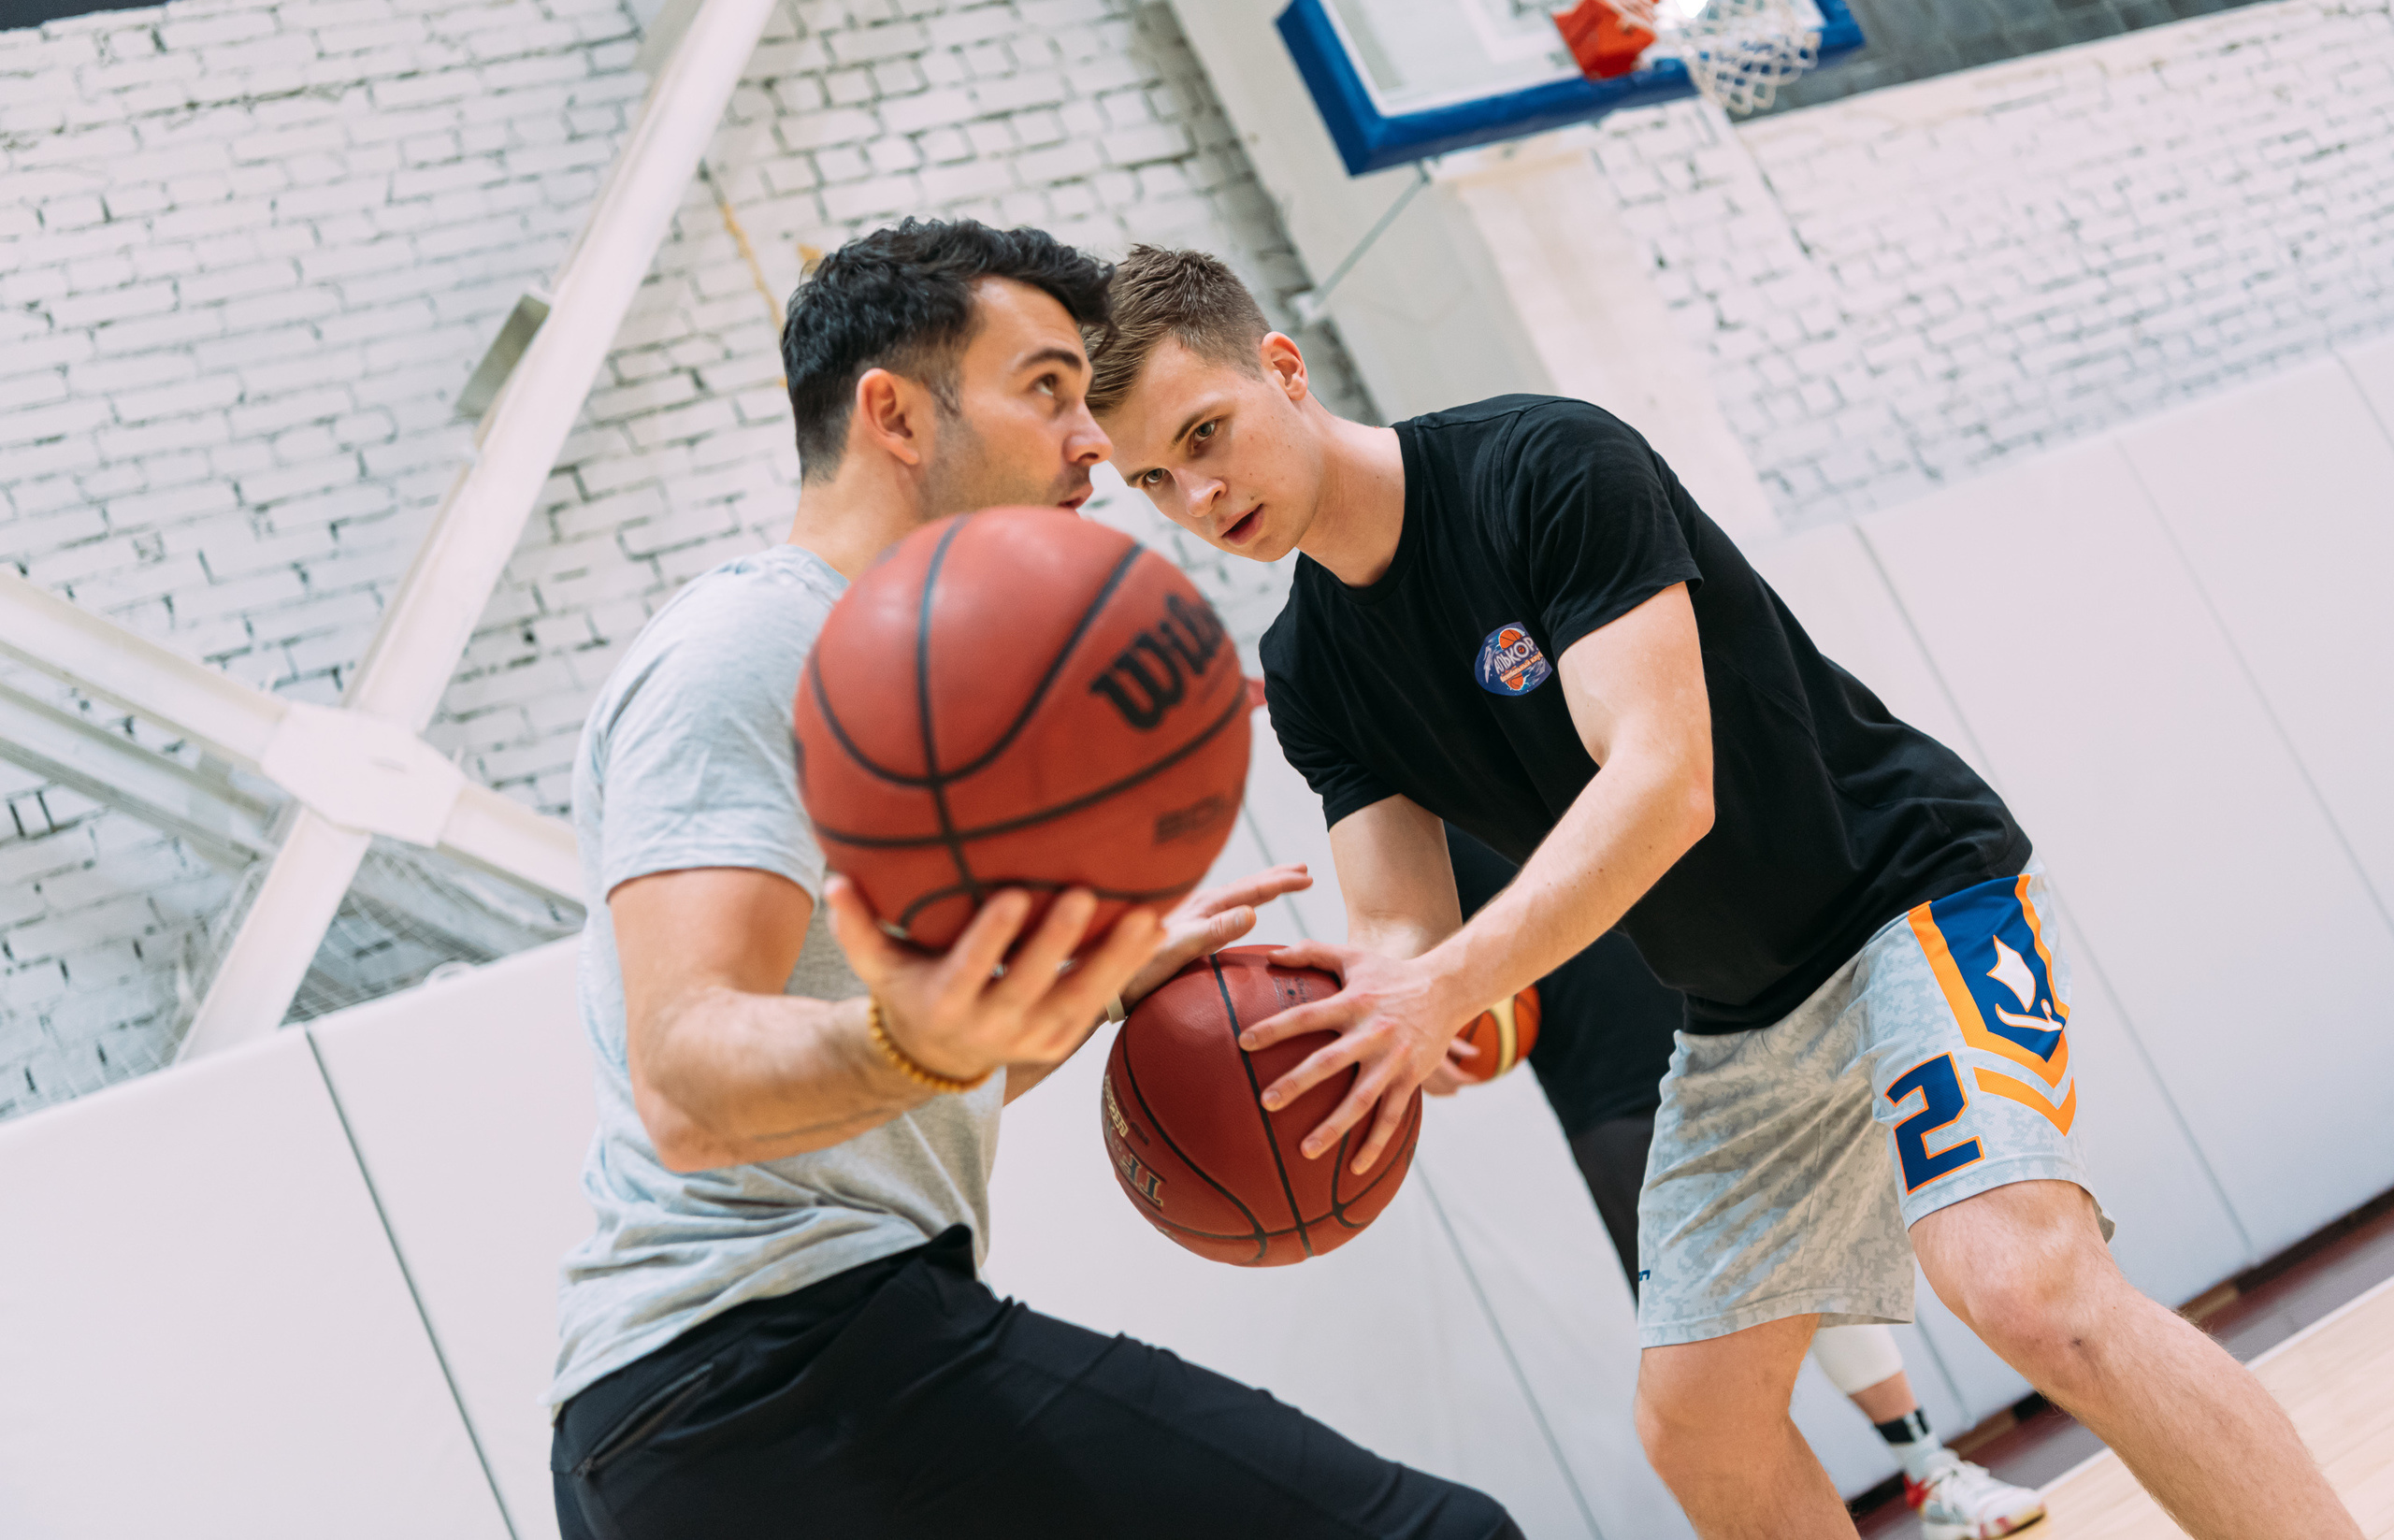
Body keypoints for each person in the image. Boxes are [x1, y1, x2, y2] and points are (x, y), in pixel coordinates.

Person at [1084, 244, 2359, 1540]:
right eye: (1152, 481)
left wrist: (1448, 981)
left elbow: (1662, 781)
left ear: (1283, 368)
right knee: (1697, 1428)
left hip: (1903, 899)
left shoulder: (1543, 463)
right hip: (1738, 1013)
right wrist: (1369, 1019)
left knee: (2020, 1287)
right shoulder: (1310, 666)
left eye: (1205, 434)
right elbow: (1400, 918)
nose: (1198, 494)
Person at [546, 221, 1521, 1540]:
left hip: (736, 1408)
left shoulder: (912, 679)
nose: (1092, 443)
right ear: (895, 415)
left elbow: (888, 1082)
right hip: (768, 1372)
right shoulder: (754, 644)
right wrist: (914, 1033)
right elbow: (685, 1080)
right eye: (1049, 390)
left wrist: (1087, 993)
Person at [1438, 823, 2047, 1539]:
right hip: (1607, 1094)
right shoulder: (1414, 815)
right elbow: (1428, 976)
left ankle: (1930, 1470)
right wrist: (1440, 1035)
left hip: (1718, 1026)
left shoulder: (1558, 752)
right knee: (1708, 1351)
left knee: (1816, 1268)